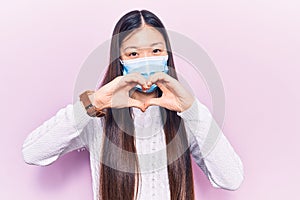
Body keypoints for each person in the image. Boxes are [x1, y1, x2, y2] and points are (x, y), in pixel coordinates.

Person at [22, 10, 244, 200]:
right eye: (134, 53)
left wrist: (193, 111)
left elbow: (231, 179)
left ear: (167, 56)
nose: (146, 60)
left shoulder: (185, 117)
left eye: (156, 51)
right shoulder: (99, 117)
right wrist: (94, 103)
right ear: (119, 60)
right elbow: (33, 153)